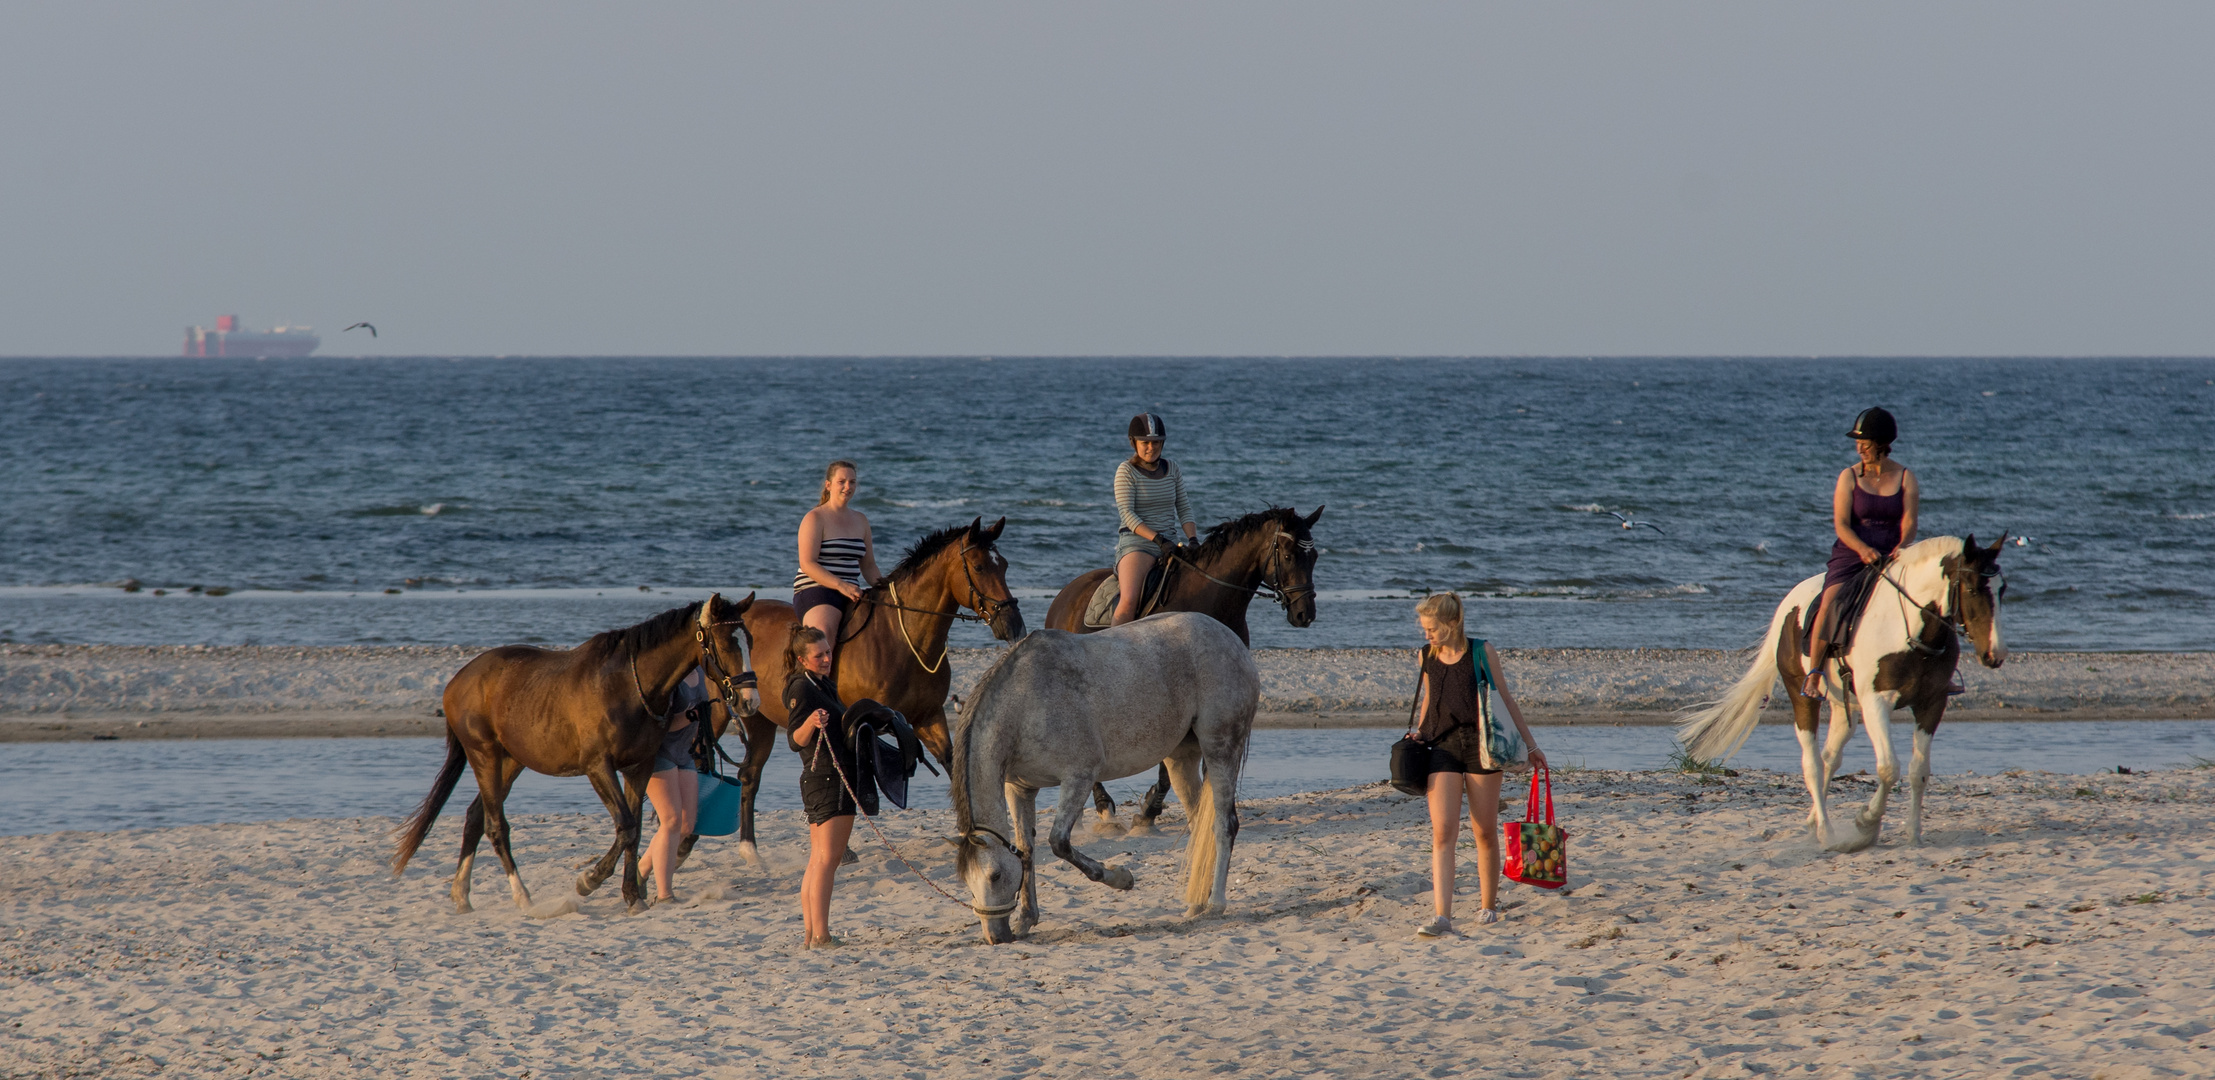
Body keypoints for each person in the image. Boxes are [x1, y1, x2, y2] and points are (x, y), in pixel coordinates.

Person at [1408, 592, 1546, 937]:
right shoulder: (1426, 655)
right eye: (1424, 628)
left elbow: (1505, 697)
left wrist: (1531, 745)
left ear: (1452, 623)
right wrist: (1420, 734)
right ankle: (1442, 916)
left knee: (1484, 830)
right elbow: (1429, 699)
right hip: (1442, 747)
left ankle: (1488, 905)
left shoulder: (1482, 651)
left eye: (1432, 628)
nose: (1426, 635)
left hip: (1483, 746)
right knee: (1443, 832)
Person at [1803, 407, 1919, 698]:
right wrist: (1862, 548)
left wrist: (1901, 547)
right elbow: (1841, 524)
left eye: (1865, 445)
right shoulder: (1849, 477)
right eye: (1858, 445)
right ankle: (1815, 673)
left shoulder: (1906, 478)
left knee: (1924, 600)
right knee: (1830, 602)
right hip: (1853, 554)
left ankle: (1935, 673)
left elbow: (1910, 523)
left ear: (1881, 445)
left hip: (1892, 554)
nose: (1860, 450)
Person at [784, 625, 858, 949]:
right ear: (802, 659)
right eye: (819, 655)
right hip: (829, 778)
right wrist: (810, 723)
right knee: (828, 859)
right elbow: (793, 739)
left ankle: (810, 935)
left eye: (828, 652)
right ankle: (822, 935)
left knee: (817, 859)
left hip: (819, 778)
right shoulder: (802, 686)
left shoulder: (821, 683)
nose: (827, 658)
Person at [1111, 413, 1198, 625]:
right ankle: (1111, 648)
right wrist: (1158, 540)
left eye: (1157, 442)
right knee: (1129, 600)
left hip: (1171, 543)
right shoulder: (1126, 471)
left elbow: (1184, 508)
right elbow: (1128, 516)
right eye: (1146, 442)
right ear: (1134, 443)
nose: (1151, 447)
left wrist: (1193, 539)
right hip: (1138, 545)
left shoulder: (1172, 469)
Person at [636, 667, 711, 903]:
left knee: (687, 825)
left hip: (684, 752)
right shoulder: (671, 677)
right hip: (659, 753)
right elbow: (660, 723)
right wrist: (691, 717)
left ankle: (639, 871)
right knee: (670, 820)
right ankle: (665, 895)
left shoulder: (700, 671)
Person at [793, 459, 883, 650]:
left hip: (852, 592)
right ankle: (814, 680)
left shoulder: (861, 520)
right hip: (817, 589)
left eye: (852, 482)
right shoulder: (815, 518)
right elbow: (808, 563)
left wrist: (887, 590)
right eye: (841, 481)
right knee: (823, 636)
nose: (847, 486)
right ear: (828, 485)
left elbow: (868, 566)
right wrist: (841, 585)